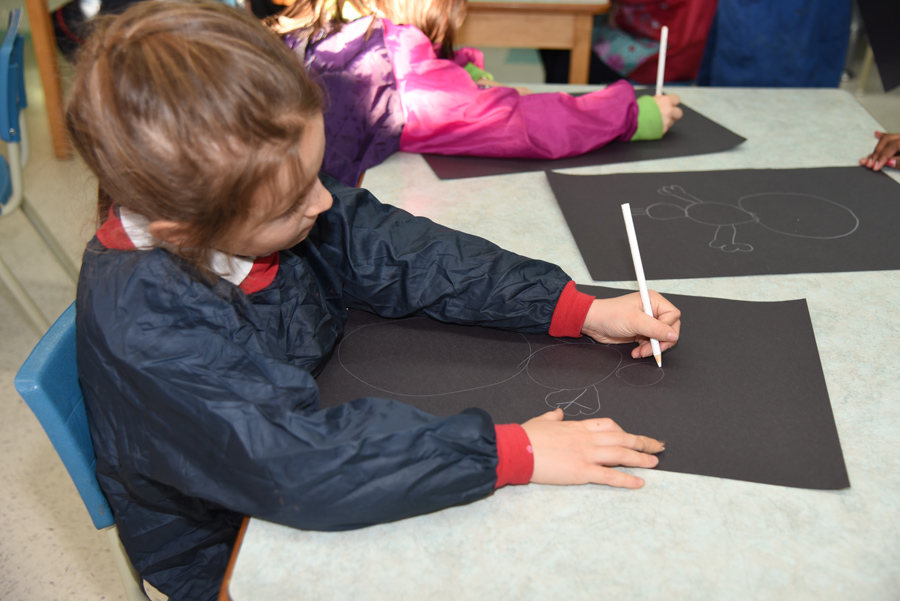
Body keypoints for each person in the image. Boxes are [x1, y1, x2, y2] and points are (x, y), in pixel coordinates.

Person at [66, 2, 681, 600]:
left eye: (315, 172)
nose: (323, 202)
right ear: (184, 227)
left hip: (312, 431)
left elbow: (400, 250)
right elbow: (293, 463)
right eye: (291, 204)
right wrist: (505, 451)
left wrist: (575, 308)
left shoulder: (258, 196)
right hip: (231, 543)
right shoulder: (147, 329)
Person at [269, 0, 684, 187]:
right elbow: (525, 126)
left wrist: (463, 72)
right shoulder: (400, 81)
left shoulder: (331, 28)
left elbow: (422, 65)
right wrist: (631, 113)